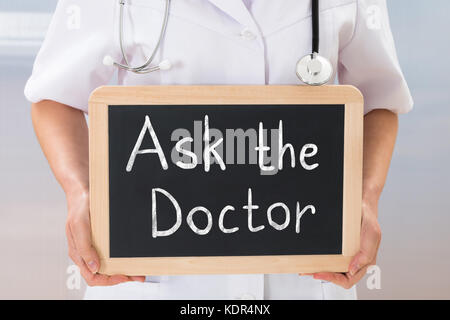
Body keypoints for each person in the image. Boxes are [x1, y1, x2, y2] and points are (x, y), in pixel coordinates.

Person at [25, 0, 413, 300]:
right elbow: (56, 97)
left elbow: (378, 99)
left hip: (304, 276)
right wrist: (82, 195)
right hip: (154, 276)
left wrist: (365, 199)